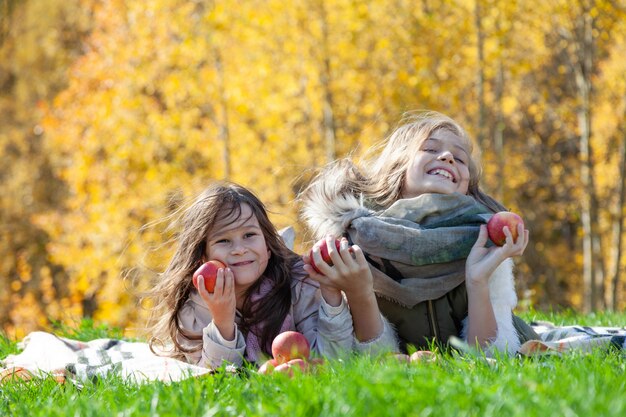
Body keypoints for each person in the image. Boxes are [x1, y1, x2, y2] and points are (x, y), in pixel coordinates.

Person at [299, 111, 536, 355]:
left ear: (467, 188)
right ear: (397, 167)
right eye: (431, 149)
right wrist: (360, 294)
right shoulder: (358, 245)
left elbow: (492, 358)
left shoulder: (484, 241)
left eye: (460, 158)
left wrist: (478, 281)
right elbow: (377, 362)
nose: (447, 157)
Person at [147, 182, 396, 369]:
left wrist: (331, 295)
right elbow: (212, 378)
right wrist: (222, 323)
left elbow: (332, 360)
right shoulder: (195, 305)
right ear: (203, 256)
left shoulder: (299, 284)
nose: (240, 248)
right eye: (224, 240)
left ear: (267, 244)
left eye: (249, 235)